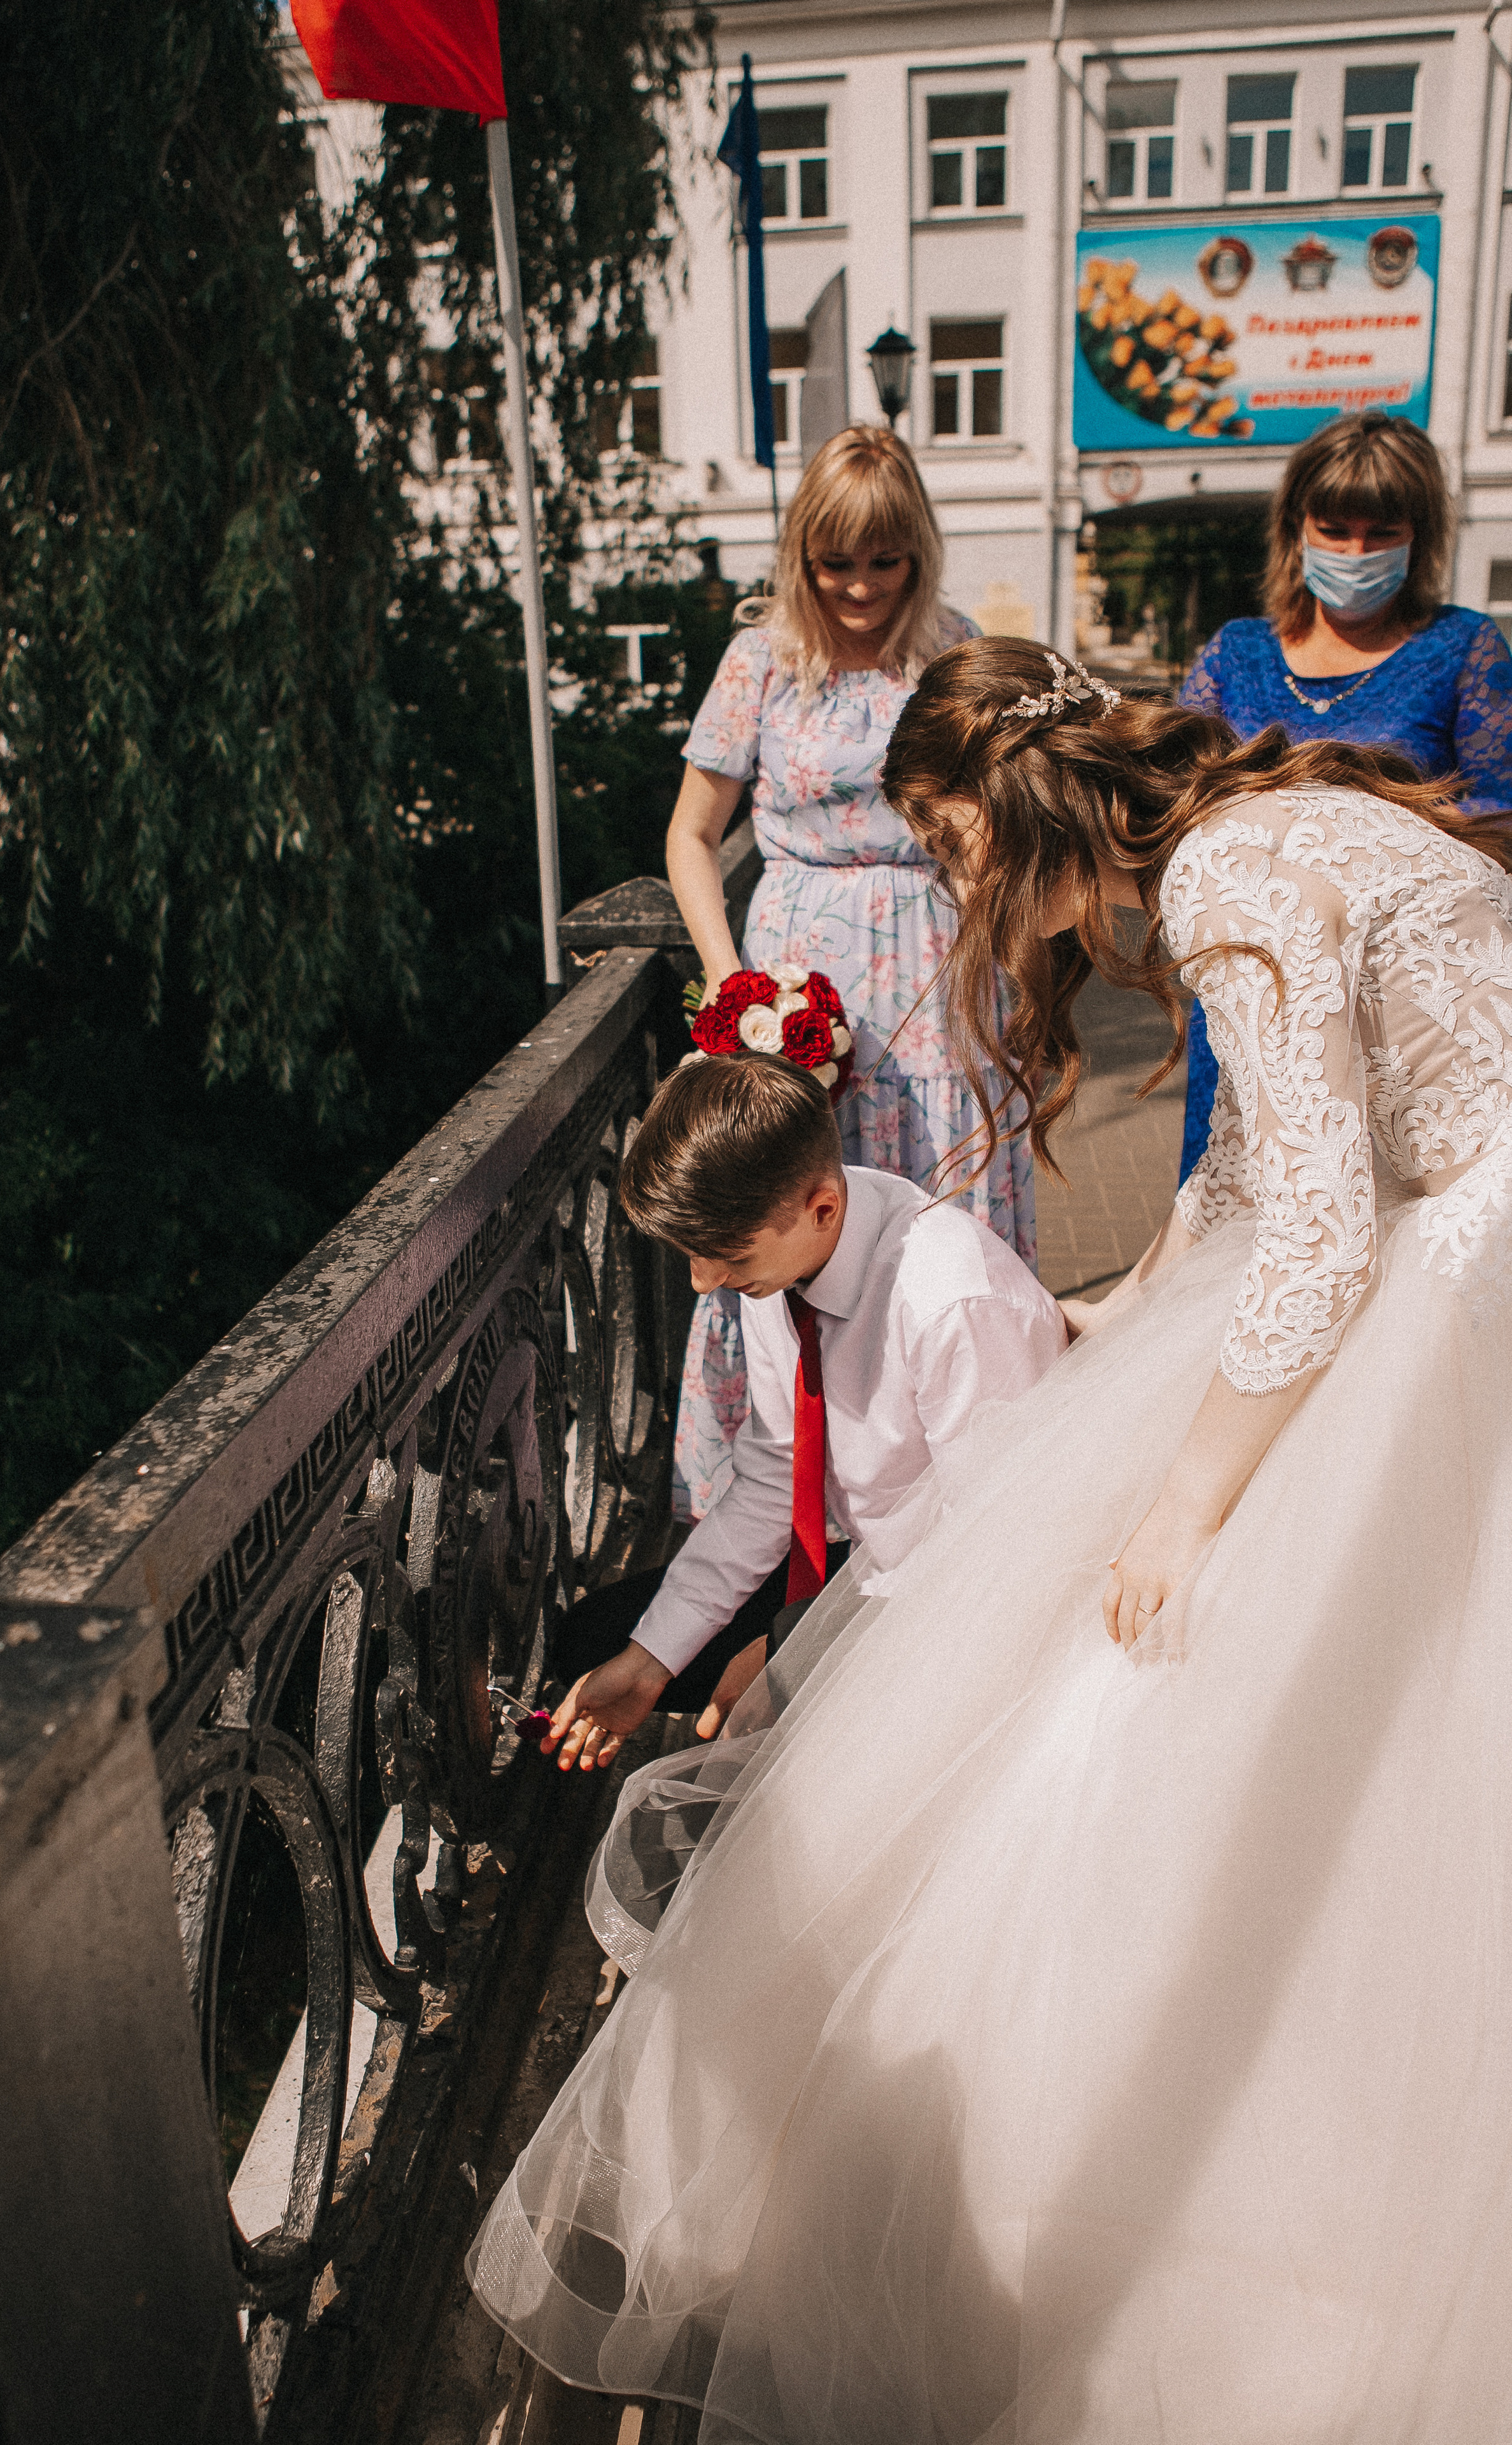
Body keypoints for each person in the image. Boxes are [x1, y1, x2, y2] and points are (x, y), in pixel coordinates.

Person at [468, 636, 1512, 2441]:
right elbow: (1260, 1166)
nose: (951, 889)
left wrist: (1181, 1509)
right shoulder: (1262, 826)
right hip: (1424, 1231)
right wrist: (1134, 1304)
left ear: (1015, 807)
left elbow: (1332, 1231)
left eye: (948, 845)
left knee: (1251, 1706)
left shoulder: (1237, 872)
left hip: (1453, 1276)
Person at [666, 423, 1033, 1526]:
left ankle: (960, 1467)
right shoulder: (760, 662)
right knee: (788, 1213)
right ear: (802, 555)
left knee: (941, 1211)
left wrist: (994, 952)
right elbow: (690, 836)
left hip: (939, 975)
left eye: (886, 560)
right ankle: (788, 1480)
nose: (862, 586)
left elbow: (999, 819)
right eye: (836, 562)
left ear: (918, 551)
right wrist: (736, 991)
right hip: (799, 986)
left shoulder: (953, 650)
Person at [542, 1051, 1064, 1770]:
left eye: (721, 1253)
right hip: (873, 1563)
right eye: (688, 1255)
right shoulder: (788, 1255)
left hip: (963, 1599)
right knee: (594, 1644)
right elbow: (774, 1475)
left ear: (821, 1207)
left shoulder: (951, 1304)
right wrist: (649, 1658)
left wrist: (795, 1651)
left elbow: (999, 1558)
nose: (704, 1283)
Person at [1177, 410, 1512, 1179]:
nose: (1355, 552)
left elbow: (1498, 818)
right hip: (1252, 983)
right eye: (1334, 528)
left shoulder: (1461, 646)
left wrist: (1383, 831)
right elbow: (1176, 798)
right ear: (1296, 528)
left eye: (1379, 531)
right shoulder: (1237, 653)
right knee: (1242, 1206)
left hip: (1399, 1001)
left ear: (1418, 535)